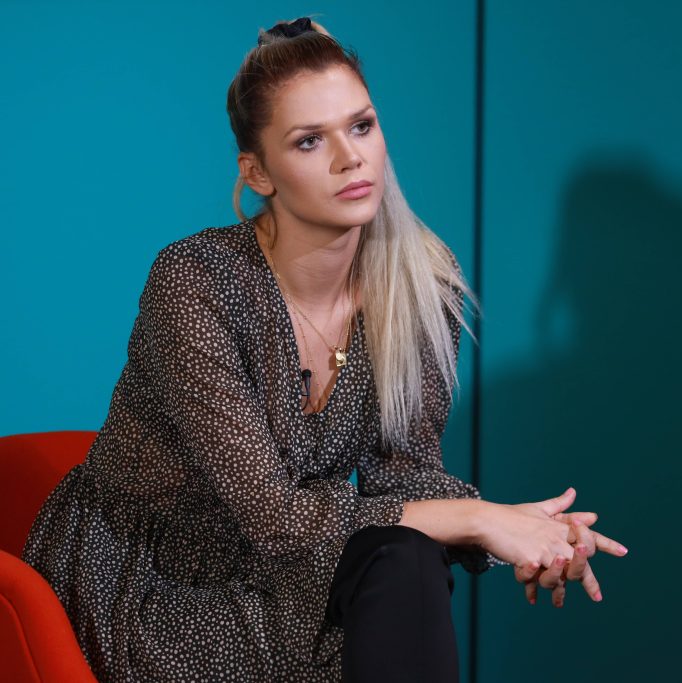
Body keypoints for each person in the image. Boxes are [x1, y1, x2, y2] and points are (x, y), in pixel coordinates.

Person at [20, 15, 627, 683]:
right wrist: (479, 519)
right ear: (258, 172)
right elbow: (273, 516)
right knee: (397, 569)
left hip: (293, 571)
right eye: (310, 141)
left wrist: (534, 540)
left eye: (361, 126)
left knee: (406, 558)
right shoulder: (196, 282)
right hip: (156, 584)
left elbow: (406, 478)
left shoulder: (421, 284)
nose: (349, 157)